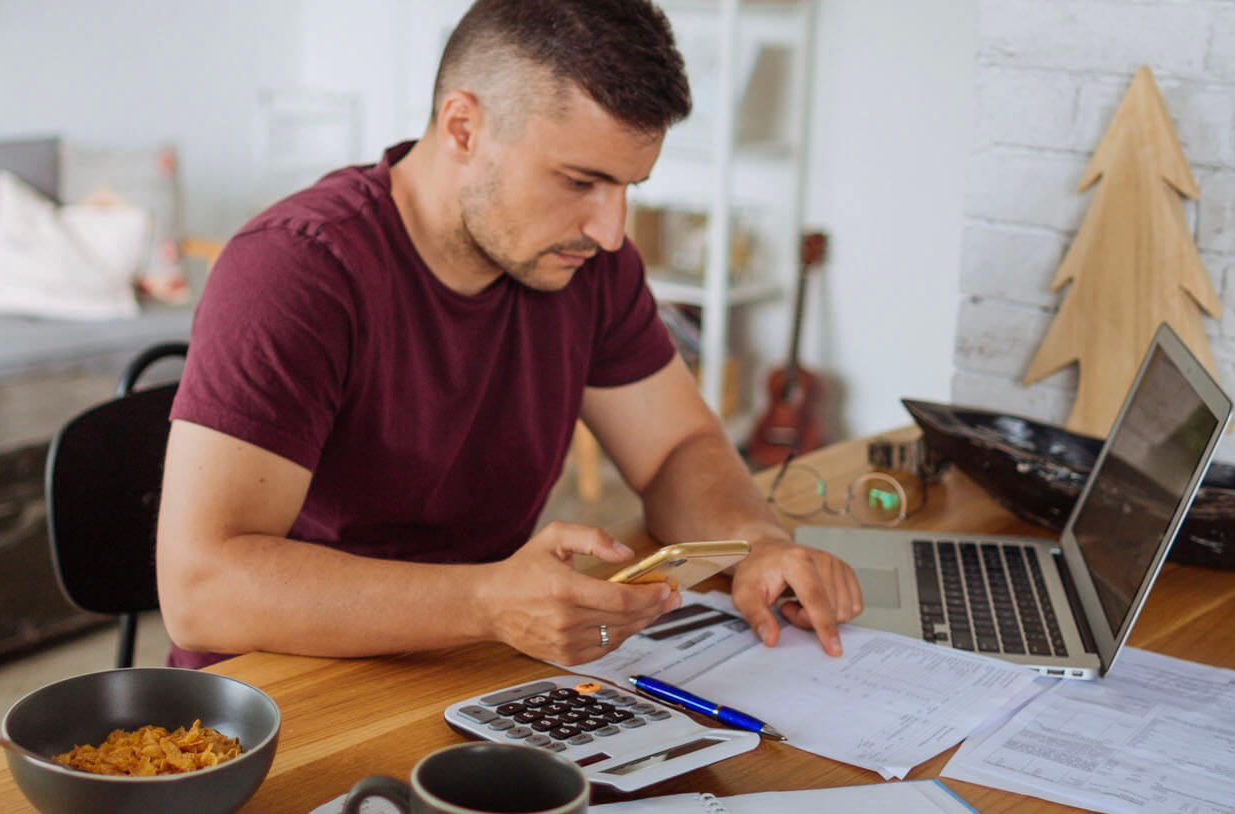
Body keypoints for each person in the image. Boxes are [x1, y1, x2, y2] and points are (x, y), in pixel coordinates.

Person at [155, 0, 862, 670]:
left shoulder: (590, 266)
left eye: (628, 188)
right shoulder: (297, 270)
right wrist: (487, 603)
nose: (610, 231)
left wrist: (759, 544)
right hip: (287, 697)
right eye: (580, 181)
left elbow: (678, 446)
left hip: (475, 667)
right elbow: (202, 588)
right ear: (463, 128)